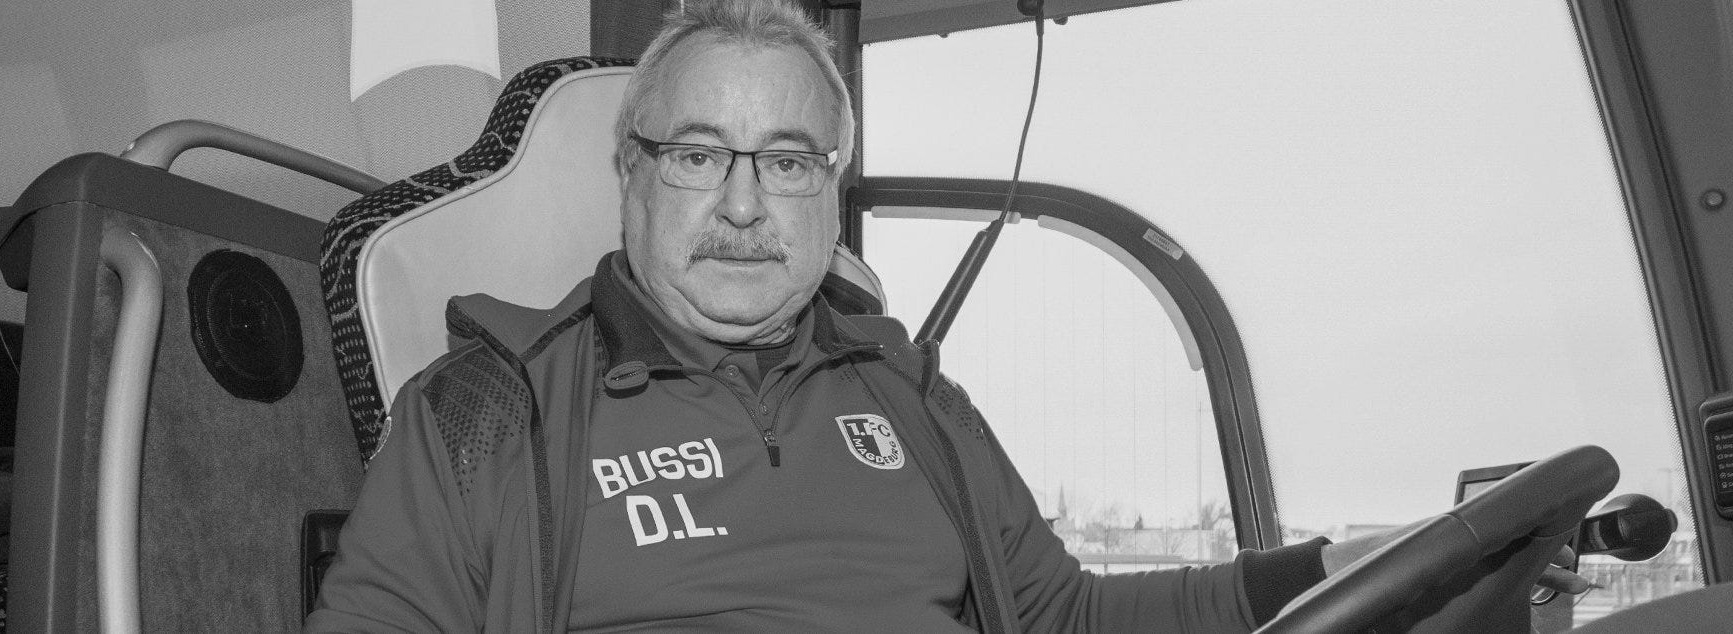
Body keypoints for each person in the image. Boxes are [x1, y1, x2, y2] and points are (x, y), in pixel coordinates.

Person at [305, 1, 1578, 631]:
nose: (743, 204)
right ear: (629, 176)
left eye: (788, 161)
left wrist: (1324, 567)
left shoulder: (903, 390)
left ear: (829, 194)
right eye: (697, 154)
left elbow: (1067, 617)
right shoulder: (488, 412)